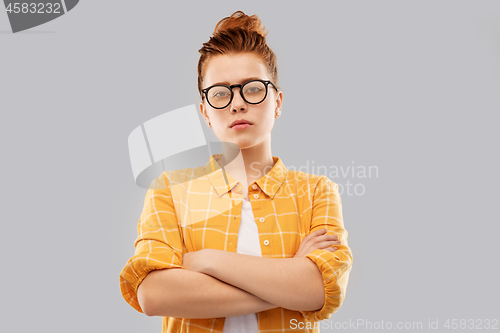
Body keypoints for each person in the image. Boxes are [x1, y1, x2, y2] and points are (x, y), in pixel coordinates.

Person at [119, 10, 353, 333]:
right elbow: (153, 294)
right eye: (220, 93)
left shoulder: (316, 192)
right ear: (205, 112)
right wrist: (290, 276)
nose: (237, 104)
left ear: (278, 101)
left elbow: (320, 289)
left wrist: (207, 260)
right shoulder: (170, 190)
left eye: (253, 88)